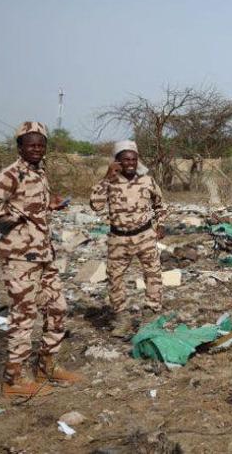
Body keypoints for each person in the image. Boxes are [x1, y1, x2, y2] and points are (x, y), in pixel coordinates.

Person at [0, 122, 82, 398]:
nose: (36, 149)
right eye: (31, 144)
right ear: (20, 147)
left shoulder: (39, 172)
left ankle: (46, 366)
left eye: (41, 145)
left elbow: (35, 203)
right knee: (24, 317)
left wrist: (49, 204)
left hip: (43, 254)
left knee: (58, 308)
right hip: (19, 257)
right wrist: (19, 213)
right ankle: (13, 380)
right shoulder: (11, 174)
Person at [89, 140, 167, 337]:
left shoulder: (147, 180)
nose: (131, 163)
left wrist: (161, 224)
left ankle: (151, 314)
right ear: (117, 162)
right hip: (118, 239)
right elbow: (95, 205)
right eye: (126, 160)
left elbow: (160, 204)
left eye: (134, 159)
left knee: (153, 274)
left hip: (145, 235)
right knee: (114, 279)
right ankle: (122, 318)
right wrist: (107, 177)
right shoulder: (109, 182)